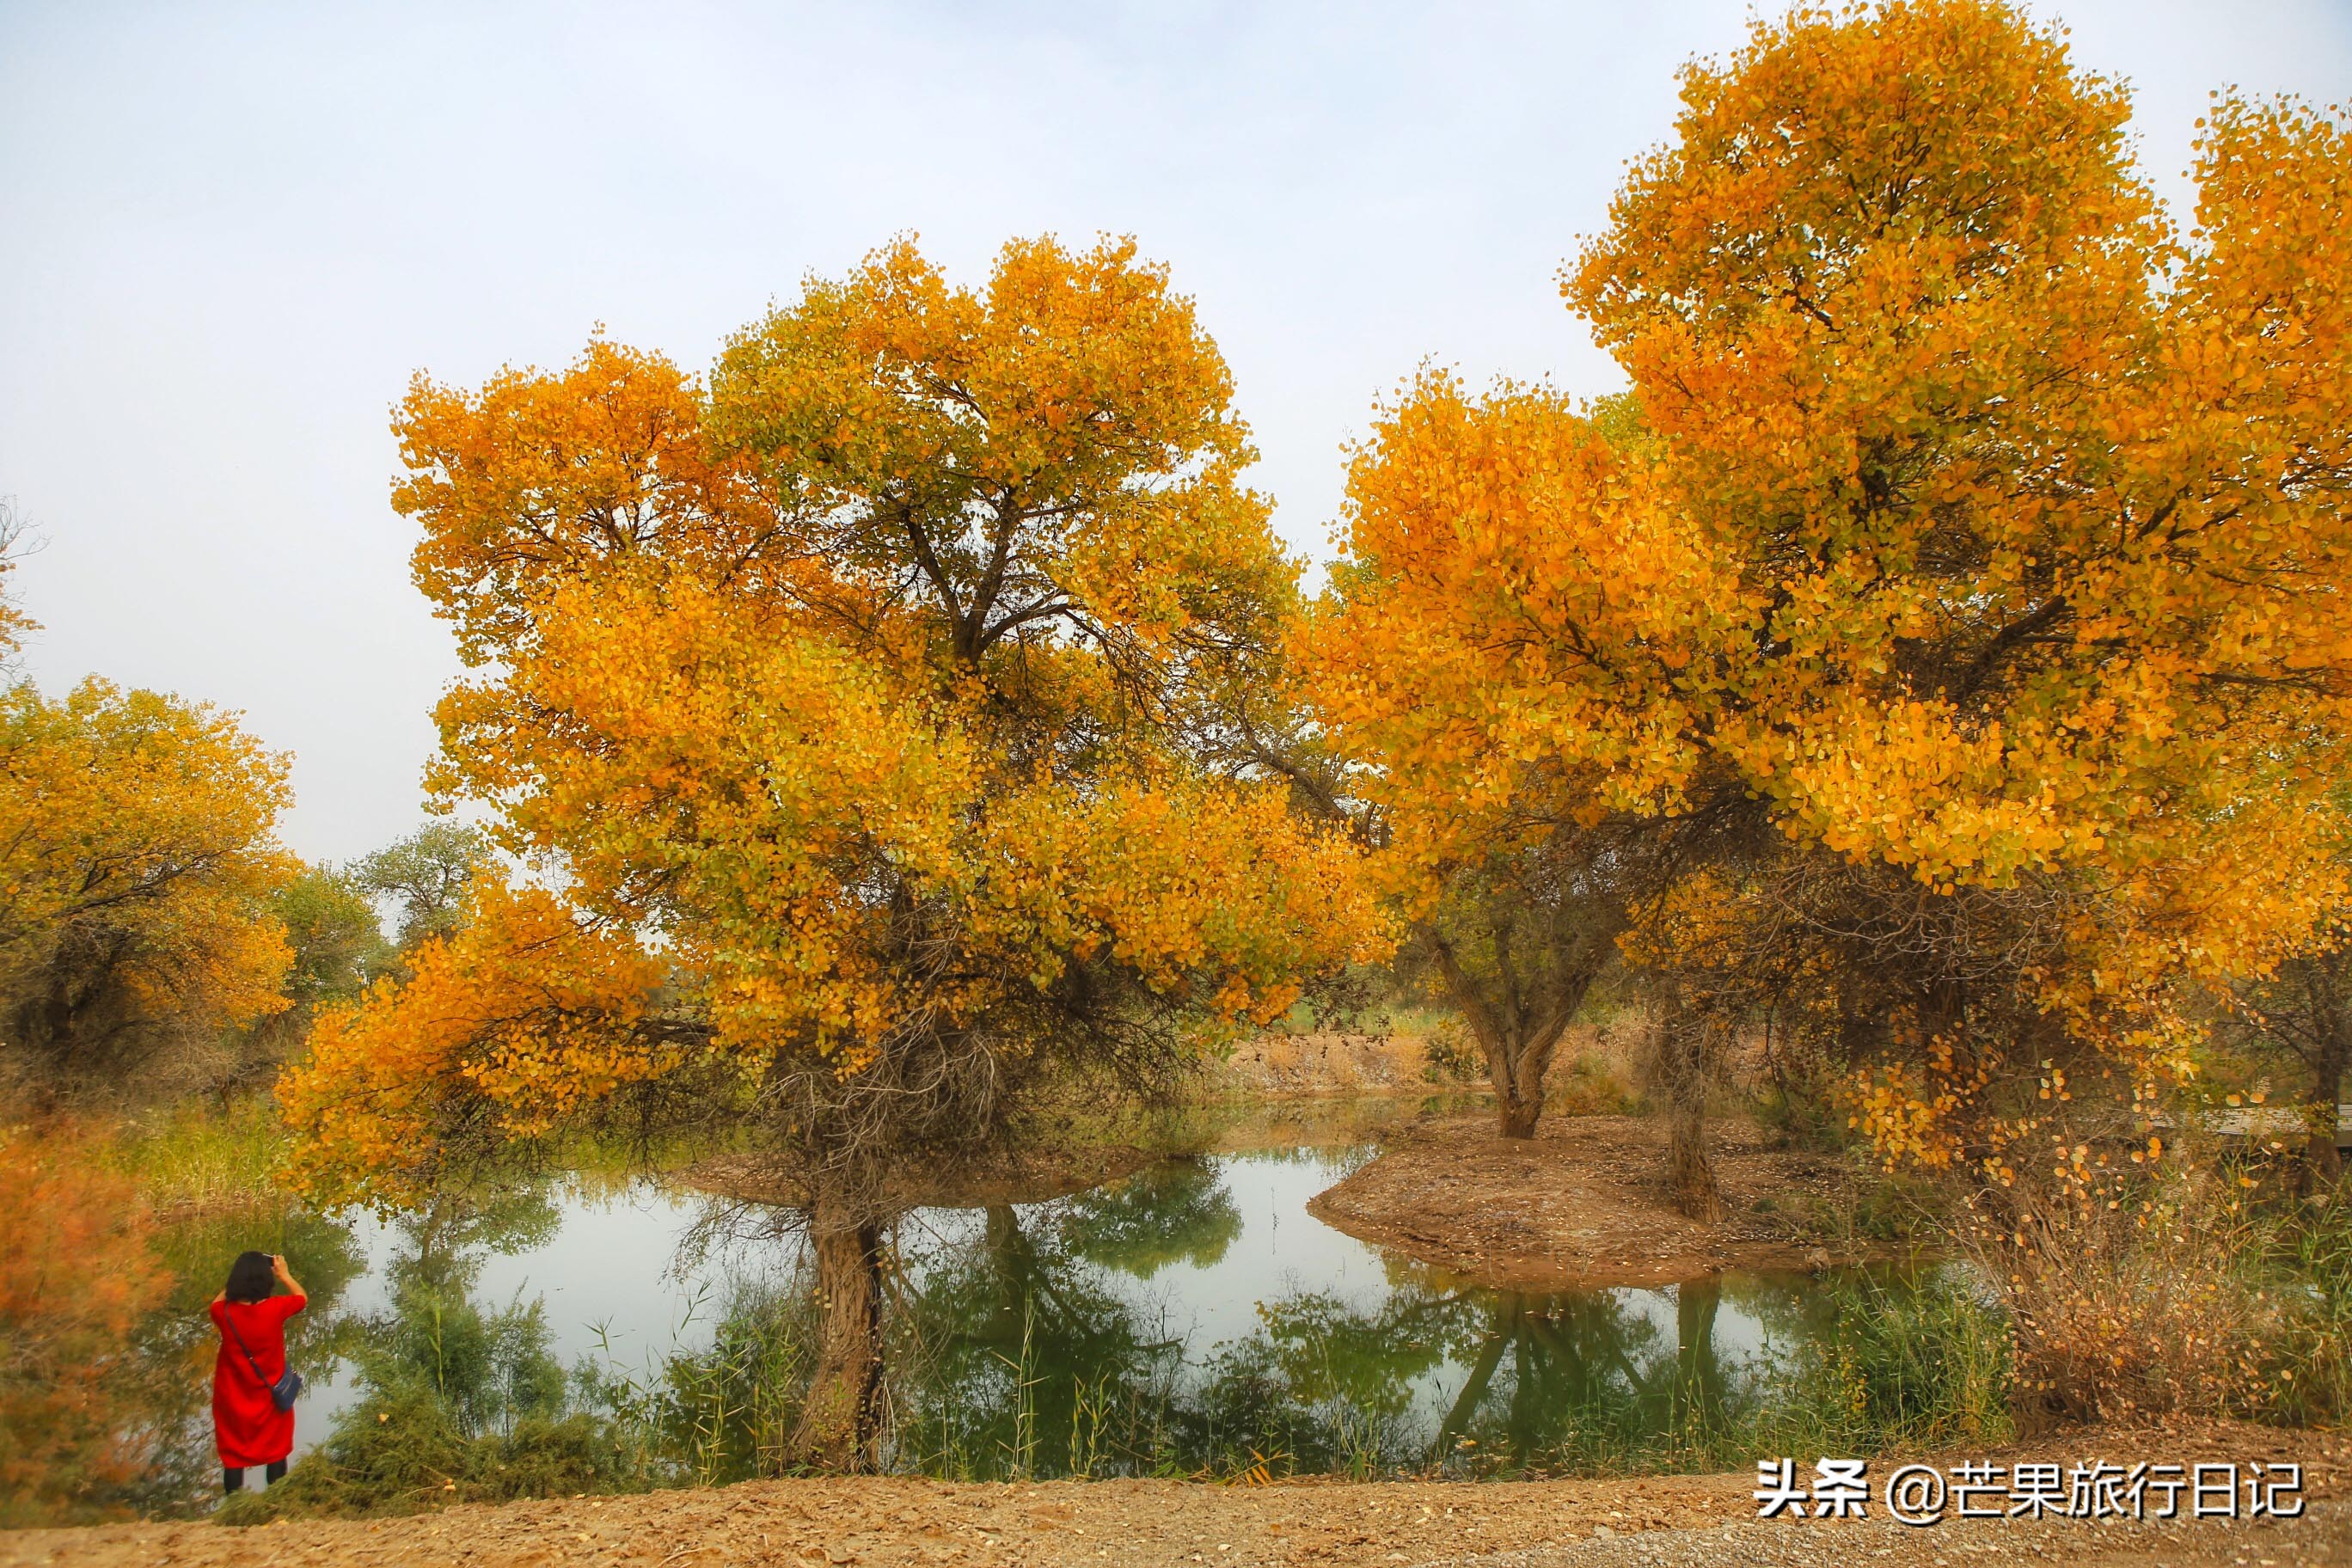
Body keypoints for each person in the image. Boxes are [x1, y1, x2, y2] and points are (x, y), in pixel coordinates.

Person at [211, 1250, 305, 1493]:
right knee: (276, 1449)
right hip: (270, 1396)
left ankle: (234, 1507)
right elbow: (301, 1297)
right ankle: (275, 1503)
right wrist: (285, 1275)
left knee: (233, 1454)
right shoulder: (276, 1308)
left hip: (232, 1397)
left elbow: (217, 1301)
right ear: (267, 1280)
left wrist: (236, 1281)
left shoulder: (223, 1313)